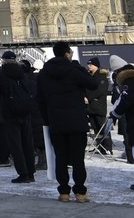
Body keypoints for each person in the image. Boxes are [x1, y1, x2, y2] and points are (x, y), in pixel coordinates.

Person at [37, 42, 96, 202]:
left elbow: (39, 99)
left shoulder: (44, 73)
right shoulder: (73, 70)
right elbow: (93, 84)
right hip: (76, 120)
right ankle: (80, 192)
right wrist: (79, 69)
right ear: (67, 54)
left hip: (56, 120)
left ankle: (63, 192)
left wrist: (47, 118)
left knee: (60, 158)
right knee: (78, 159)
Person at [0, 52, 37, 183]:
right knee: (27, 143)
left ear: (4, 61)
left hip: (10, 113)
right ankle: (31, 172)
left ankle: (23, 173)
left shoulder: (1, 76)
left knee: (15, 144)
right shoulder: (22, 74)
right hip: (26, 111)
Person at [84, 58, 112, 154]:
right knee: (95, 128)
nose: (89, 66)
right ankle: (100, 147)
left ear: (96, 65)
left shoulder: (101, 77)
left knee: (102, 127)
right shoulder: (89, 76)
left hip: (99, 107)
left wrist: (89, 97)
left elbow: (100, 91)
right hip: (90, 107)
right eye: (88, 64)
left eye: (91, 64)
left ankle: (107, 147)